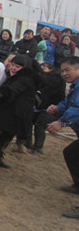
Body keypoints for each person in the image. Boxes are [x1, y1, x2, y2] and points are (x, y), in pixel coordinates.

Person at [0, 55, 39, 179]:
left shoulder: (23, 79)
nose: (13, 68)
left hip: (13, 116)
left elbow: (9, 90)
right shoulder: (17, 77)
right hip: (13, 115)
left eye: (18, 66)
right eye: (13, 65)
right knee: (0, 142)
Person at [46, 58, 79, 218]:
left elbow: (78, 108)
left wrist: (61, 122)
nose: (64, 73)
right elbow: (68, 103)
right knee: (71, 153)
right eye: (63, 70)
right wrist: (57, 108)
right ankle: (77, 185)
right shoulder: (75, 86)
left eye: (68, 70)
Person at [30, 63, 66, 154]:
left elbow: (46, 91)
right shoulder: (48, 78)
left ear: (49, 68)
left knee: (40, 124)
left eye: (43, 69)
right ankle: (27, 144)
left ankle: (38, 148)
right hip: (43, 106)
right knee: (28, 120)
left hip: (55, 107)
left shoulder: (56, 79)